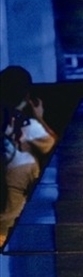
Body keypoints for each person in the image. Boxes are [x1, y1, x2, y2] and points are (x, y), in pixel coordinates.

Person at [1, 65, 57, 246]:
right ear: (26, 96)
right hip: (11, 228)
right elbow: (56, 148)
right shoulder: (26, 127)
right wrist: (39, 117)